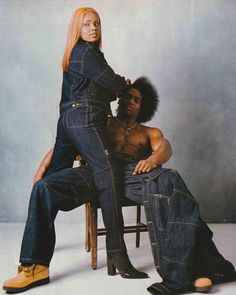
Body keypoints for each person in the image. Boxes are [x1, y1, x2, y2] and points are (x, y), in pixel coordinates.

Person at [3, 77, 235, 294]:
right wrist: (41, 171)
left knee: (171, 181)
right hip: (96, 172)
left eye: (136, 99)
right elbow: (65, 143)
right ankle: (35, 267)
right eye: (126, 96)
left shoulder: (148, 132)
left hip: (132, 174)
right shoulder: (101, 123)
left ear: (143, 107)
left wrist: (152, 160)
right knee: (45, 188)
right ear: (118, 98)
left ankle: (190, 269)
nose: (130, 102)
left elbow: (165, 146)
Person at [41, 6, 146, 280]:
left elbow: (99, 88)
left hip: (67, 119)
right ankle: (117, 253)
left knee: (49, 182)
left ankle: (36, 255)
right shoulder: (87, 53)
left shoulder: (77, 54)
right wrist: (122, 84)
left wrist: (113, 87)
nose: (93, 29)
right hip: (84, 118)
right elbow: (111, 84)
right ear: (77, 28)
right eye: (87, 24)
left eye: (96, 24)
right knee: (108, 174)